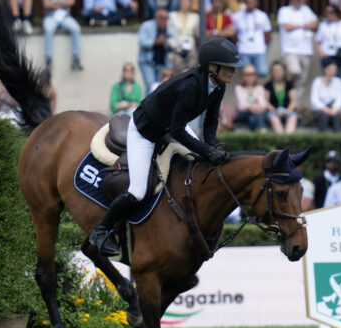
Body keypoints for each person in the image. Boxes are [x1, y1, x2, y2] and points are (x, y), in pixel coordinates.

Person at [87, 38, 241, 256]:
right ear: (213, 67)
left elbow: (210, 121)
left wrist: (211, 148)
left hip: (169, 126)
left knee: (200, 164)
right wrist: (207, 151)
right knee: (138, 191)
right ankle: (101, 229)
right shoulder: (190, 86)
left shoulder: (218, 85)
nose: (233, 71)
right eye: (229, 67)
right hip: (145, 131)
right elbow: (178, 132)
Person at [41, 0, 82, 71]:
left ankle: (76, 57)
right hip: (50, 16)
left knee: (76, 28)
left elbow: (71, 1)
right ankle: (48, 58)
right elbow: (46, 4)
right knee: (48, 29)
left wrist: (54, 3)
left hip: (65, 16)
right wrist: (63, 2)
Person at [277, 0, 319, 83]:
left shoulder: (306, 10)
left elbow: (315, 22)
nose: (297, 0)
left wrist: (298, 25)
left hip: (305, 50)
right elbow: (287, 26)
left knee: (302, 79)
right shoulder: (284, 10)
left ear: (304, 0)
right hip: (290, 49)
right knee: (294, 71)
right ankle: (288, 91)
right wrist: (304, 25)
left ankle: (295, 97)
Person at [232, 0, 272, 76]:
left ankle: (255, 87)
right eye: (248, 3)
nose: (250, 5)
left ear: (256, 3)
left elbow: (268, 34)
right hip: (243, 50)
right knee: (247, 73)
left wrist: (262, 45)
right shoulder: (236, 16)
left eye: (252, 3)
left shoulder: (262, 15)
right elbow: (233, 34)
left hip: (259, 50)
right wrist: (238, 45)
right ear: (245, 2)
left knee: (263, 72)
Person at [315, 4, 341, 77]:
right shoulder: (323, 25)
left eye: (331, 12)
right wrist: (323, 54)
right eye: (326, 12)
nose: (328, 15)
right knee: (328, 79)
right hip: (328, 56)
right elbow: (318, 43)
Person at [138, 9, 172, 90]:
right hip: (147, 62)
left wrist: (167, 43)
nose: (164, 20)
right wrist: (155, 42)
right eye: (161, 18)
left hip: (162, 63)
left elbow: (174, 42)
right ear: (156, 18)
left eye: (166, 18)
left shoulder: (169, 28)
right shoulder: (146, 25)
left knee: (161, 88)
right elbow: (142, 42)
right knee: (151, 87)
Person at [309, 57, 341, 132]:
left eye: (334, 70)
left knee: (336, 116)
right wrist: (325, 109)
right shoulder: (317, 81)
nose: (332, 72)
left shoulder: (338, 82)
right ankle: (322, 139)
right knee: (323, 116)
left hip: (333, 109)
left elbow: (340, 99)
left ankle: (338, 139)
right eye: (330, 69)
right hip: (320, 110)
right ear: (325, 69)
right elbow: (314, 100)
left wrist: (334, 109)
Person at [167, 0, 200, 71]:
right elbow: (169, 33)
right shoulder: (172, 15)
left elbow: (197, 35)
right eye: (183, 0)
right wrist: (174, 47)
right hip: (177, 47)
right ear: (180, 2)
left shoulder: (196, 17)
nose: (185, 3)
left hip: (191, 48)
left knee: (190, 71)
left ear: (190, 3)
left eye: (187, 1)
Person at [264, 59, 298, 134]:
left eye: (279, 71)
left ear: (284, 72)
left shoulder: (289, 85)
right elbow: (266, 102)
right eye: (275, 71)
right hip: (273, 111)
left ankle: (288, 138)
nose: (277, 73)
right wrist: (275, 111)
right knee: (274, 119)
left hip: (287, 110)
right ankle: (281, 138)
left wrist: (287, 111)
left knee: (293, 117)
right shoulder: (268, 85)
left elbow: (293, 101)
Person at [233, 64, 267, 131]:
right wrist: (252, 107)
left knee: (253, 118)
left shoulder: (259, 87)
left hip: (257, 113)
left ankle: (256, 136)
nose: (250, 76)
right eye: (247, 74)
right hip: (243, 114)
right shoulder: (239, 88)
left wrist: (255, 107)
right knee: (254, 115)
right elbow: (241, 106)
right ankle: (262, 132)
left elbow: (263, 105)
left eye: (253, 74)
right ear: (242, 76)